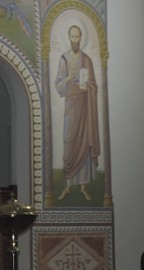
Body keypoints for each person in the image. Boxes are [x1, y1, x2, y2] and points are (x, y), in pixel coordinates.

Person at [54, 24, 99, 203]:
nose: (75, 40)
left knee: (84, 143)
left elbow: (93, 85)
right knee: (69, 142)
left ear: (81, 38)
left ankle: (84, 187)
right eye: (72, 36)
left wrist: (87, 87)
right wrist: (68, 78)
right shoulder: (64, 59)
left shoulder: (87, 60)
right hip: (71, 107)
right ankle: (67, 186)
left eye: (77, 36)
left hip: (85, 108)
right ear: (69, 38)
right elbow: (58, 86)